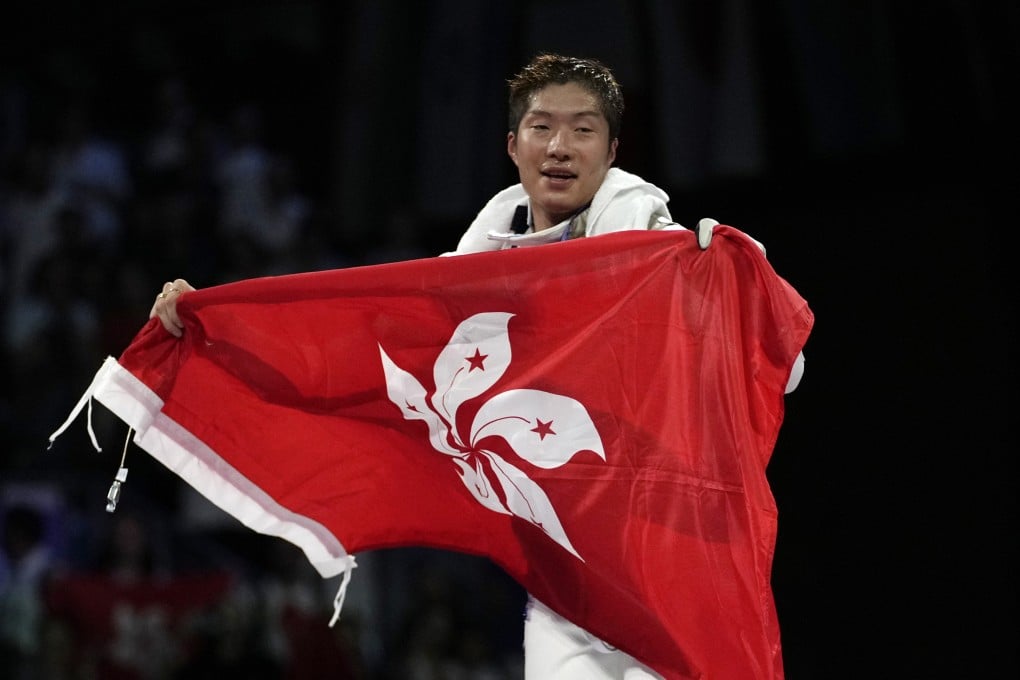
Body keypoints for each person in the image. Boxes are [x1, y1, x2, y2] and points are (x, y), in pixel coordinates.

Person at [150, 53, 803, 679]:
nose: (560, 147)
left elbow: (783, 365)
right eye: (542, 128)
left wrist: (724, 289)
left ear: (611, 152)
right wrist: (218, 320)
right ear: (513, 145)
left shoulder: (660, 248)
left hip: (672, 555)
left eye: (583, 131)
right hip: (570, 577)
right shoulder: (479, 262)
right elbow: (362, 326)